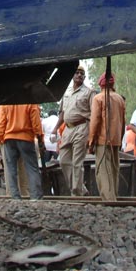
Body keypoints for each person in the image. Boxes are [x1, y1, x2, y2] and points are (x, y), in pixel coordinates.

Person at [88, 72, 126, 201]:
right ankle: (113, 196)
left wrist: (91, 141)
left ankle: (109, 200)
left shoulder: (98, 98)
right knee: (114, 170)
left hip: (102, 140)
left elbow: (95, 122)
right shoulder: (120, 99)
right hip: (116, 140)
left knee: (103, 170)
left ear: (100, 84)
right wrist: (120, 139)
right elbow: (123, 122)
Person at [0, 102, 44, 200]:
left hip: (9, 139)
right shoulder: (30, 101)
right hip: (26, 139)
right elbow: (36, 122)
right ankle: (36, 197)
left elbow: (1, 124)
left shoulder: (5, 102)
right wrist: (40, 139)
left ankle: (15, 198)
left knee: (11, 170)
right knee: (32, 168)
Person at [57, 66, 94, 196]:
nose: (79, 75)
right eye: (77, 73)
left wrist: (91, 135)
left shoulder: (89, 92)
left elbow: (94, 114)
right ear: (72, 75)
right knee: (63, 160)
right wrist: (55, 129)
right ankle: (81, 189)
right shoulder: (66, 92)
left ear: (84, 77)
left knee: (77, 162)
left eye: (81, 73)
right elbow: (62, 113)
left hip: (82, 127)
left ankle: (77, 193)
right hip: (67, 128)